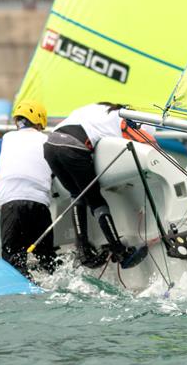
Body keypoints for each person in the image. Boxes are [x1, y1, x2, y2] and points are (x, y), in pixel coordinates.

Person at [43, 102, 154, 269]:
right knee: (96, 201)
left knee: (77, 195)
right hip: (73, 147)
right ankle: (120, 252)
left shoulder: (90, 110)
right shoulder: (124, 115)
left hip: (50, 146)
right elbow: (142, 140)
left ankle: (83, 251)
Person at [0, 100, 57, 277]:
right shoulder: (48, 141)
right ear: (39, 123)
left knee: (13, 261)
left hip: (10, 204)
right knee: (48, 260)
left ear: (17, 122)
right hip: (38, 204)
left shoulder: (3, 141)